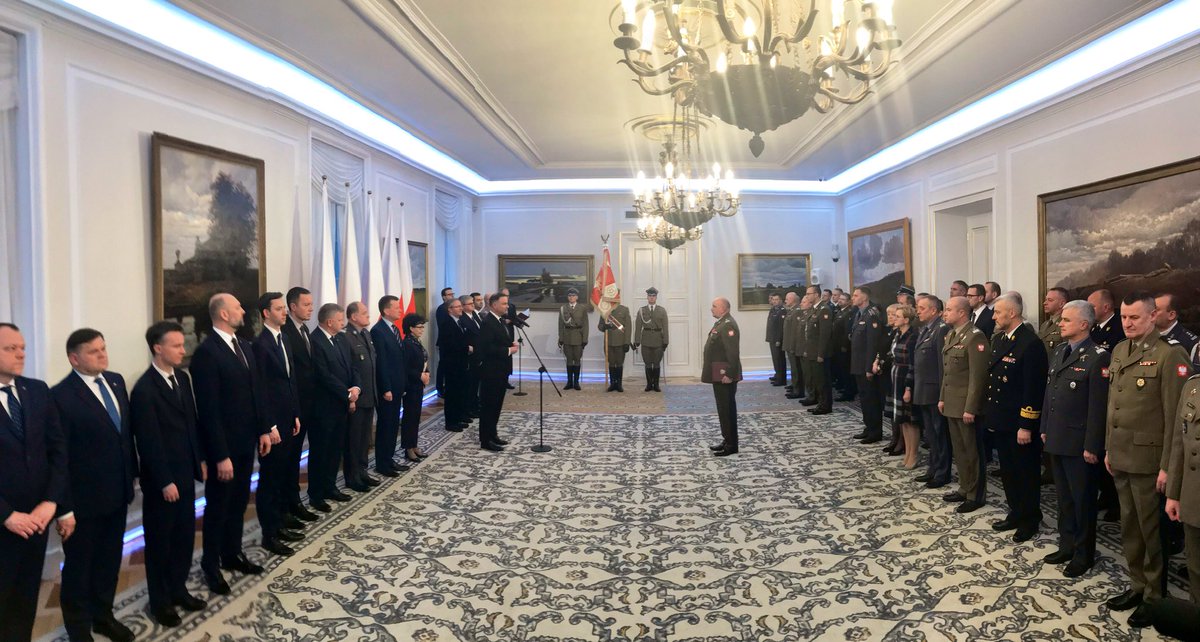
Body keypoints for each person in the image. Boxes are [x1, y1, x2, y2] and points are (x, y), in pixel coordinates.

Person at [1103, 291, 1191, 628]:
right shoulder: (1119, 350)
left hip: (1150, 460)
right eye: (1124, 317)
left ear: (1153, 316)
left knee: (1151, 533)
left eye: (1135, 317)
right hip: (1121, 455)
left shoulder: (1170, 355)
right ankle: (1137, 585)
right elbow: (1114, 407)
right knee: (1129, 527)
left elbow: (1176, 419)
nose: (1127, 323)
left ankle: (1154, 597)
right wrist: (1109, 448)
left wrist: (1168, 467)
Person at [49, 329, 136, 642]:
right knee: (79, 567)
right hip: (83, 501)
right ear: (75, 358)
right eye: (94, 351)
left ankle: (103, 616)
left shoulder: (115, 381)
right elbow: (58, 457)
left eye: (103, 348)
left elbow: (123, 437)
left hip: (118, 492)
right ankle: (78, 629)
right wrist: (64, 508)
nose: (102, 355)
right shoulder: (60, 396)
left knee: (109, 561)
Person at [190, 293, 275, 594]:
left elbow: (256, 392)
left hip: (246, 441)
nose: (243, 311)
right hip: (224, 449)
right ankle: (211, 564)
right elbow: (208, 410)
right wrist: (220, 454)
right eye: (238, 307)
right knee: (219, 507)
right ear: (224, 314)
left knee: (239, 502)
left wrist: (263, 430)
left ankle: (232, 553)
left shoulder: (245, 346)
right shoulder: (206, 353)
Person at [130, 321, 207, 627]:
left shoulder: (182, 379)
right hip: (163, 482)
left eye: (182, 344)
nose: (182, 350)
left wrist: (199, 461)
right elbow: (148, 442)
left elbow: (192, 424)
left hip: (186, 473)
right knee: (161, 543)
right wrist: (165, 481)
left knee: (184, 538)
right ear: (158, 348)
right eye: (176, 346)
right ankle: (160, 602)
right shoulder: (144, 389)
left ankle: (178, 589)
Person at [0, 323, 71, 641]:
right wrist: (6, 515)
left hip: (37, 519)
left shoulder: (37, 390)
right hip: (4, 522)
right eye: (10, 348)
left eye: (22, 348)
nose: (21, 354)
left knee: (25, 598)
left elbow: (58, 449)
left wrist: (51, 501)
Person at [1041, 300, 1110, 578]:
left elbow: (1098, 407)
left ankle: (1084, 554)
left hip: (1080, 443)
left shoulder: (1098, 357)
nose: (1060, 323)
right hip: (1057, 436)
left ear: (1084, 324)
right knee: (1064, 499)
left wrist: (1092, 445)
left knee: (1082, 502)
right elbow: (1050, 392)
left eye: (1066, 320)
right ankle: (1066, 545)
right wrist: (1045, 425)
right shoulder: (1060, 351)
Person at [982, 294, 1049, 542]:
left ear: (1012, 313)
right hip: (1002, 420)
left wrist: (1026, 425)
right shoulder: (1001, 339)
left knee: (1025, 473)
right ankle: (1015, 512)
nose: (994, 317)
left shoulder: (1030, 343)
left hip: (1019, 424)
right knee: (1008, 471)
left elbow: (1033, 389)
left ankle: (1030, 518)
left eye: (998, 312)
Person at [251, 293, 305, 558]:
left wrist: (295, 413)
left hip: (288, 418)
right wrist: (269, 425)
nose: (284, 312)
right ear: (266, 313)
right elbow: (260, 389)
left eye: (284, 308)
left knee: (285, 473)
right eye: (279, 308)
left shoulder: (283, 339)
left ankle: (282, 521)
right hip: (272, 423)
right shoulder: (260, 345)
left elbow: (290, 380)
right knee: (270, 479)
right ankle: (269, 533)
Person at [307, 303, 360, 513]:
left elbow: (353, 367)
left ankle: (330, 487)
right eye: (340, 320)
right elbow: (323, 375)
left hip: (341, 406)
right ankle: (316, 494)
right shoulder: (315, 341)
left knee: (335, 449)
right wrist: (347, 393)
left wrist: (355, 388)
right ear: (330, 322)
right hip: (324, 408)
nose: (343, 323)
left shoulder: (341, 339)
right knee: (321, 451)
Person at [939, 296, 990, 514]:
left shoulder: (975, 336)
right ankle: (964, 487)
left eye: (949, 309)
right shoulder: (952, 334)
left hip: (966, 405)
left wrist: (971, 407)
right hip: (952, 402)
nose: (945, 313)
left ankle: (975, 494)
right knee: (959, 449)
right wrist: (942, 397)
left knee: (971, 450)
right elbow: (948, 373)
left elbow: (978, 378)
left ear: (961, 313)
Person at [281, 287, 319, 525]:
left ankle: (295, 502)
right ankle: (288, 504)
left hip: (310, 405)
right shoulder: (285, 332)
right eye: (306, 304)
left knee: (297, 458)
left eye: (311, 304)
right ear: (293, 307)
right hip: (294, 408)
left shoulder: (305, 329)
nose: (311, 309)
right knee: (289, 459)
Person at [1090, 287, 1126, 522]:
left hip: (1113, 396)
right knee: (1100, 451)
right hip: (1096, 396)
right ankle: (1105, 493)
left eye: (1092, 306)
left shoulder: (1119, 330)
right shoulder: (1094, 329)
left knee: (1111, 454)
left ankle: (1115, 503)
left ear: (1106, 307)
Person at [1167, 370, 1200, 604]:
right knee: (1195, 567)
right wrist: (1173, 494)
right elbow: (1179, 443)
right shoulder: (1192, 386)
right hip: (1192, 495)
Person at [912, 295, 952, 488]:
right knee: (930, 435)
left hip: (934, 391)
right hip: (923, 390)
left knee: (939, 434)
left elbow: (942, 366)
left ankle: (942, 472)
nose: (917, 311)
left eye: (922, 308)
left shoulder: (941, 329)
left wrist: (943, 395)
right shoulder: (926, 329)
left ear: (934, 310)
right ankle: (933, 468)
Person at [342, 301, 379, 492]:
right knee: (354, 440)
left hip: (369, 394)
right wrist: (350, 397)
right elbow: (348, 370)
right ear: (354, 316)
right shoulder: (345, 336)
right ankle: (352, 476)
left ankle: (362, 471)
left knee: (365, 438)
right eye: (364, 312)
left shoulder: (366, 333)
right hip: (356, 398)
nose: (368, 315)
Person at [370, 296, 409, 476]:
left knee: (393, 425)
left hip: (397, 386)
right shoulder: (378, 331)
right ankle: (382, 463)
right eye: (396, 307)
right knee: (386, 425)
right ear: (386, 310)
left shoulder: (394, 328)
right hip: (388, 389)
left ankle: (389, 458)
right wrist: (386, 388)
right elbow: (382, 363)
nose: (400, 310)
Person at [880, 304, 919, 469]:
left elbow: (912, 364)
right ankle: (907, 453)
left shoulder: (912, 337)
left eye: (897, 316)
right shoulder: (898, 334)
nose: (894, 319)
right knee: (902, 420)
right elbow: (891, 354)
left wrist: (908, 388)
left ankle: (913, 455)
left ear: (906, 320)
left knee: (910, 420)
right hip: (895, 377)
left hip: (905, 379)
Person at [478, 293, 518, 451]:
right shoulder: (488, 322)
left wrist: (510, 344)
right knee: (489, 406)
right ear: (494, 305)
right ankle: (485, 440)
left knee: (496, 405)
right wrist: (509, 350)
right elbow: (486, 348)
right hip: (491, 371)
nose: (507, 306)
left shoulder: (500, 320)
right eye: (504, 304)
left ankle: (493, 434)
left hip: (501, 370)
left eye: (507, 303)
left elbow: (499, 341)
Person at [703, 297, 741, 457]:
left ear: (724, 308)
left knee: (727, 409)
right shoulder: (721, 323)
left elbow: (732, 353)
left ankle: (731, 445)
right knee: (723, 409)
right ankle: (727, 440)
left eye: (714, 306)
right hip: (718, 373)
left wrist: (730, 374)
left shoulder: (728, 325)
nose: (711, 308)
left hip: (724, 375)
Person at [850, 287, 886, 444]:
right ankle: (869, 427)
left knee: (871, 399)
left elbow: (873, 344)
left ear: (864, 298)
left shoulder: (872, 315)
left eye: (856, 295)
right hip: (858, 363)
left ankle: (875, 431)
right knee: (864, 398)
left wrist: (869, 367)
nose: (853, 297)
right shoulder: (860, 314)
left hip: (866, 365)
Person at [400, 313, 431, 462]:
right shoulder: (407, 344)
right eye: (419, 327)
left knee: (416, 416)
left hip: (418, 384)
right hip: (411, 385)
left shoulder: (417, 342)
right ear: (411, 328)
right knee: (410, 417)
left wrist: (427, 373)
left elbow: (423, 361)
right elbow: (406, 367)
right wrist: (419, 375)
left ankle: (414, 445)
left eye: (423, 327)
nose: (422, 329)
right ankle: (408, 448)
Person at [439, 298, 471, 431]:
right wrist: (466, 348)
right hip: (452, 365)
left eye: (460, 306)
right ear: (450, 310)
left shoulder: (459, 321)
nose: (460, 308)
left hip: (461, 363)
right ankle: (451, 422)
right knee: (452, 394)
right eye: (457, 307)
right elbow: (451, 345)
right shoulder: (447, 324)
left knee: (459, 392)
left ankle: (458, 418)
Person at [804, 286, 834, 415]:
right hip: (812, 351)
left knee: (823, 381)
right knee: (817, 379)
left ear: (816, 294)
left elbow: (825, 334)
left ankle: (825, 405)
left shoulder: (824, 309)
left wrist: (821, 353)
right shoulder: (814, 309)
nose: (807, 296)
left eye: (809, 294)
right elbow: (809, 333)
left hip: (819, 353)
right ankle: (820, 403)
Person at [634, 287, 669, 392]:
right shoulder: (642, 310)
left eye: (653, 296)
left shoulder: (662, 310)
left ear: (656, 297)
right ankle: (649, 384)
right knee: (648, 363)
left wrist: (666, 341)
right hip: (646, 340)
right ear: (647, 297)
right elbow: (638, 327)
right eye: (650, 296)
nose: (652, 298)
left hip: (658, 340)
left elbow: (665, 327)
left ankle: (656, 385)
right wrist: (637, 341)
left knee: (657, 363)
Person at [599, 294, 633, 392]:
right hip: (609, 342)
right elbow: (600, 326)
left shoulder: (624, 310)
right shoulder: (605, 310)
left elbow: (628, 327)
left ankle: (619, 384)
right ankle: (612, 384)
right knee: (611, 363)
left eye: (615, 297)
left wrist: (627, 342)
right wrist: (604, 327)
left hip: (620, 342)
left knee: (619, 363)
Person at [557, 287, 589, 390]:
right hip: (567, 337)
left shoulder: (582, 308)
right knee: (569, 360)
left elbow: (585, 325)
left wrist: (585, 339)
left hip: (578, 337)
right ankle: (569, 382)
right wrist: (561, 338)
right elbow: (560, 325)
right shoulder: (563, 308)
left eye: (573, 295)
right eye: (569, 296)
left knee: (577, 360)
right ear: (568, 297)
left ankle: (576, 382)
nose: (571, 297)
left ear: (577, 297)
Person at [458, 295, 483, 417]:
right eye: (470, 303)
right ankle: (469, 409)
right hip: (470, 356)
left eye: (473, 302)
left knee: (476, 383)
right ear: (463, 306)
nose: (473, 305)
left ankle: (475, 405)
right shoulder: (462, 319)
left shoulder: (475, 316)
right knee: (470, 384)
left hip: (479, 354)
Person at [833, 291, 857, 401]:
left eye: (843, 299)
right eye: (840, 299)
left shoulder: (849, 313)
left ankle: (849, 392)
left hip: (843, 347)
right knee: (841, 369)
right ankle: (845, 387)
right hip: (837, 345)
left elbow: (846, 331)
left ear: (848, 302)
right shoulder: (840, 312)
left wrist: (844, 345)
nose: (840, 301)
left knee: (846, 370)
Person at [434, 286, 456, 397]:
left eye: (453, 294)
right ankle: (439, 388)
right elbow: (443, 326)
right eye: (449, 294)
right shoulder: (442, 309)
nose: (452, 296)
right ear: (444, 297)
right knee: (443, 365)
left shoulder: (453, 308)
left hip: (453, 343)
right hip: (445, 342)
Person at [783, 292, 804, 399]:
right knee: (793, 368)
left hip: (793, 346)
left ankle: (798, 390)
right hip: (789, 344)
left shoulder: (797, 311)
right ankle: (795, 386)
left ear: (793, 300)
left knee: (796, 369)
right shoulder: (791, 310)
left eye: (787, 299)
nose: (785, 300)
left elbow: (795, 332)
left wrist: (792, 346)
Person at [765, 292, 788, 386]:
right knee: (775, 359)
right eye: (773, 299)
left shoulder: (782, 311)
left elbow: (781, 327)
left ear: (781, 300)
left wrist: (779, 339)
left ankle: (781, 379)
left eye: (776, 299)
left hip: (777, 340)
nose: (774, 301)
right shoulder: (773, 310)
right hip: (772, 338)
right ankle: (777, 375)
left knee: (779, 360)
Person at [1040, 287, 1068, 354]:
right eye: (1046, 300)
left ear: (1061, 304)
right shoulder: (1044, 325)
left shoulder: (1066, 324)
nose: (1044, 303)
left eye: (1050, 300)